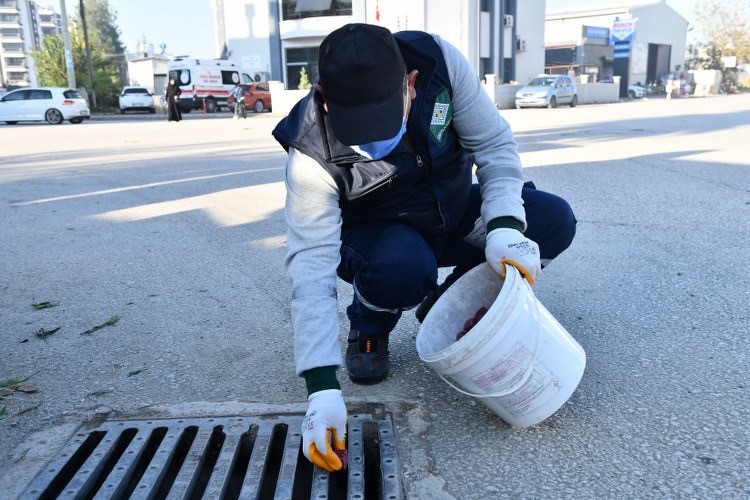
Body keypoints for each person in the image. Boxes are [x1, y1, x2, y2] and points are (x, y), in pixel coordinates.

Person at [272, 24, 577, 472]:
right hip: (382, 238)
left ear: (410, 85)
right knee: (401, 268)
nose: (368, 142)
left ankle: (449, 302)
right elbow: (310, 265)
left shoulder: (440, 66)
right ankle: (369, 323)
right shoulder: (310, 155)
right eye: (354, 125)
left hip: (450, 211)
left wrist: (506, 225)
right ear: (323, 95)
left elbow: (492, 144)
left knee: (553, 220)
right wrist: (321, 388)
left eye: (381, 121)